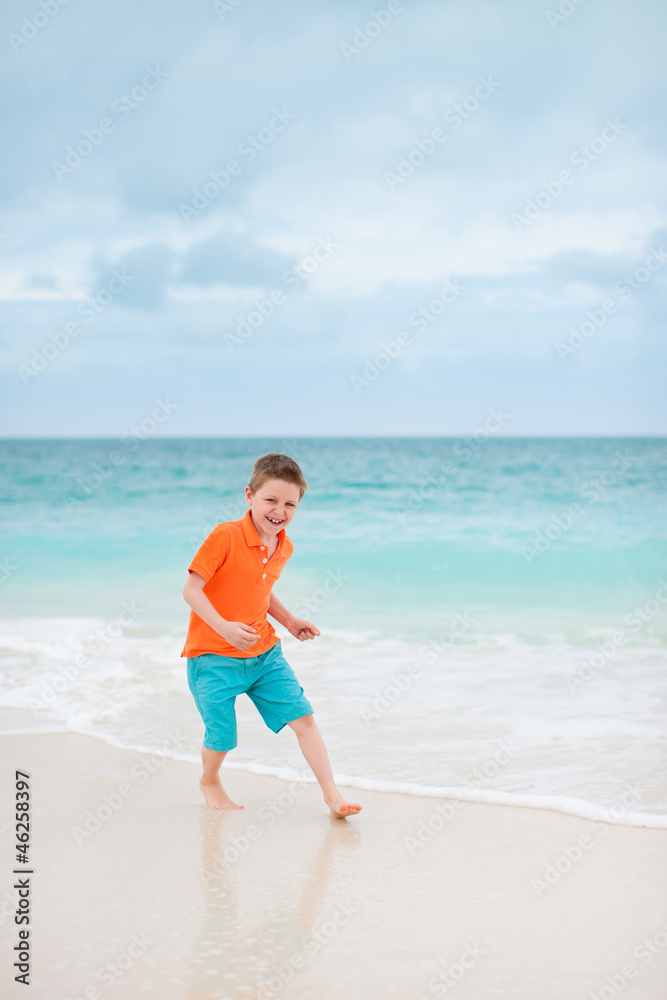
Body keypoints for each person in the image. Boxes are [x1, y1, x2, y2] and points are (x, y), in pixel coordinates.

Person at [182, 452, 362, 819]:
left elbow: (260, 591)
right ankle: (209, 780)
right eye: (271, 500)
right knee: (222, 736)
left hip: (264, 656)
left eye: (289, 504)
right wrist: (226, 628)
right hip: (213, 657)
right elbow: (191, 590)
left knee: (304, 718)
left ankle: (333, 798)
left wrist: (289, 621)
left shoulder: (285, 545)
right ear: (249, 496)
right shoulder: (225, 536)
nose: (279, 510)